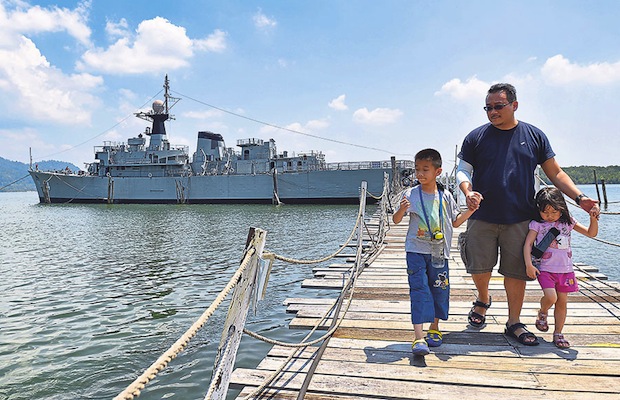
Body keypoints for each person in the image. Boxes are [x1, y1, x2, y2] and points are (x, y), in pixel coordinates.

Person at [456, 83, 600, 346]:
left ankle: (513, 322)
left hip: (521, 217)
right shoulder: (476, 137)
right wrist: (467, 191)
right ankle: (483, 298)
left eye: (498, 106)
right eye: (488, 107)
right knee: (479, 267)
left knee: (516, 272)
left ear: (514, 105)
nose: (492, 111)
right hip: (481, 215)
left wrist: (579, 198)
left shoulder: (534, 136)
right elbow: (462, 170)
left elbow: (555, 173)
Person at [393, 148, 476, 355]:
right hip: (415, 251)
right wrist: (402, 210)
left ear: (438, 172)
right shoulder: (410, 194)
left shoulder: (445, 196)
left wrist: (472, 211)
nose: (420, 174)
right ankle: (418, 337)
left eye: (425, 169)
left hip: (439, 252)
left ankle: (435, 328)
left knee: (439, 289)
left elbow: (456, 223)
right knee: (419, 289)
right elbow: (395, 220)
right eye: (417, 169)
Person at [524, 187, 598, 348]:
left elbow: (591, 233)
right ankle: (543, 312)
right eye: (545, 212)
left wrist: (593, 219)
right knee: (551, 297)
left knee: (562, 301)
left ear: (561, 208)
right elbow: (528, 244)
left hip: (566, 270)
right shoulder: (537, 224)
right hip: (545, 268)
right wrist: (529, 264)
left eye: (554, 212)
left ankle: (558, 333)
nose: (549, 216)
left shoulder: (568, 222)